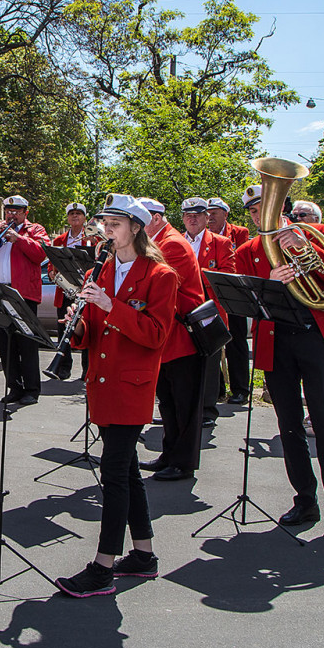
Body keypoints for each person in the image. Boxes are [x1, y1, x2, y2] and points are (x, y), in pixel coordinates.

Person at [54, 194, 178, 597]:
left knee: (114, 474)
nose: (106, 229)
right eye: (105, 222)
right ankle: (143, 555)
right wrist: (76, 327)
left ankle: (103, 567)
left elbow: (156, 336)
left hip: (131, 386)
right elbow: (93, 328)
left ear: (137, 229)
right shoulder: (105, 267)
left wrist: (110, 305)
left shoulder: (160, 275)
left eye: (115, 223)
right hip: (102, 381)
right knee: (125, 472)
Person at [233, 182, 324, 543]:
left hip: (314, 337)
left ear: (283, 205)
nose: (261, 216)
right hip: (276, 343)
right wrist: (269, 283)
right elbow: (245, 298)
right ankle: (305, 500)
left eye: (266, 208)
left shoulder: (313, 234)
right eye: (255, 212)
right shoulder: (248, 250)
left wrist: (307, 252)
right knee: (289, 426)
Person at [138, 197, 207, 482]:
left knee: (184, 404)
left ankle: (183, 462)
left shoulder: (172, 244)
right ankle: (169, 454)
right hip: (169, 336)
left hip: (183, 335)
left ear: (155, 218)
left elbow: (156, 286)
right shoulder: (161, 241)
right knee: (167, 401)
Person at [0, 195, 51, 406]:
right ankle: (14, 388)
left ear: (25, 212)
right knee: (6, 343)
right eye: (8, 211)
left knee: (27, 343)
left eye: (16, 211)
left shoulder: (35, 230)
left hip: (23, 295)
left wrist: (19, 239)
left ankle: (31, 390)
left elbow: (41, 254)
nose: (11, 215)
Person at [182, 196, 235, 427]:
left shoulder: (221, 243)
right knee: (182, 364)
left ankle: (207, 411)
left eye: (197, 215)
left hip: (208, 313)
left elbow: (227, 276)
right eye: (188, 215)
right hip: (180, 313)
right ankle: (182, 409)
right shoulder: (174, 241)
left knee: (209, 366)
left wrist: (192, 275)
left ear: (206, 217)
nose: (192, 219)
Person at [211, 196, 253, 404]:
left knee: (237, 341)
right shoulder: (202, 235)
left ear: (225, 214)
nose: (209, 216)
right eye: (207, 213)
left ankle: (240, 389)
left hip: (234, 293)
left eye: (214, 213)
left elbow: (241, 259)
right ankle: (216, 388)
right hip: (211, 295)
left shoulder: (239, 233)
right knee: (211, 341)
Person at [52, 202, 100, 378]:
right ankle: (63, 367)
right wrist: (52, 271)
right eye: (71, 213)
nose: (75, 216)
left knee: (86, 327)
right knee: (63, 327)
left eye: (78, 213)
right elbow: (53, 261)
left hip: (85, 289)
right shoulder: (59, 239)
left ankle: (87, 369)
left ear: (84, 218)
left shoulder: (93, 238)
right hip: (65, 290)